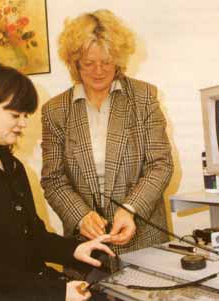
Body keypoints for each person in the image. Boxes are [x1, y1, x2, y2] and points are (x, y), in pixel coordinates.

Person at [0, 63, 115, 301]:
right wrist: (54, 293)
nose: (23, 124)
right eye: (15, 115)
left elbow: (33, 236)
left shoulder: (12, 166)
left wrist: (74, 249)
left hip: (27, 287)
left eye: (25, 115)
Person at [41, 9, 174, 274]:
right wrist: (80, 217)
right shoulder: (55, 111)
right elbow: (53, 179)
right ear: (74, 63)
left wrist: (130, 208)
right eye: (89, 63)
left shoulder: (144, 96)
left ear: (119, 59)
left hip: (144, 238)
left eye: (107, 61)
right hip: (86, 247)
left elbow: (160, 164)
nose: (99, 71)